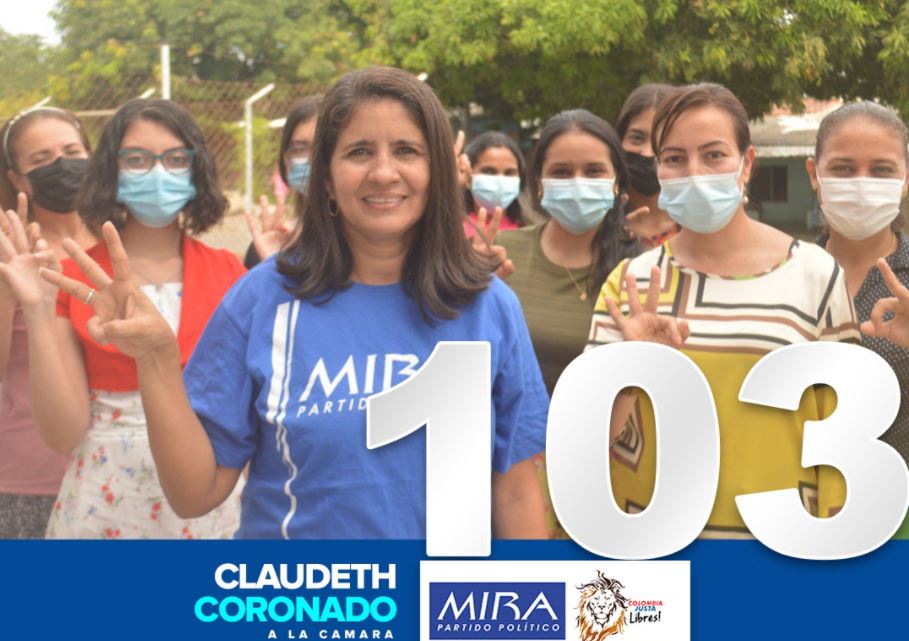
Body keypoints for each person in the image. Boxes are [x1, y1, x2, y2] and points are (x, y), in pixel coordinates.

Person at [44, 67, 550, 540]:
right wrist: (155, 358)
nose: (382, 172)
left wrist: (519, 625)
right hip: (300, 614)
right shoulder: (260, 298)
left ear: (438, 170)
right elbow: (194, 493)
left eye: (406, 150)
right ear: (325, 177)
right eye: (357, 152)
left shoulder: (488, 307)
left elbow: (516, 490)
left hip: (442, 612)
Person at [587, 83, 860, 537]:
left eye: (714, 155)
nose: (694, 171)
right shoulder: (631, 284)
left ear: (746, 163)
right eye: (674, 158)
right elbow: (589, 441)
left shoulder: (816, 275)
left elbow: (842, 435)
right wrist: (630, 373)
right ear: (658, 169)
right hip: (652, 549)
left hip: (784, 550)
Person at [3, 98, 244, 538]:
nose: (157, 173)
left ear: (197, 170)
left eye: (174, 159)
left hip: (209, 505)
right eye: (137, 159)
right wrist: (38, 311)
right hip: (104, 508)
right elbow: (61, 433)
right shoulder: (75, 277)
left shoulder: (233, 273)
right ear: (111, 170)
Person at [0, 107, 95, 538]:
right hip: (30, 480)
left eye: (72, 151)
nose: (61, 164)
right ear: (18, 179)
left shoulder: (125, 239)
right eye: (41, 160)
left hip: (124, 473)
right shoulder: (8, 252)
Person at [495, 110, 639, 395]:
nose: (577, 183)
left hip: (603, 435)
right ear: (539, 183)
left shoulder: (639, 269)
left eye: (594, 171)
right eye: (561, 172)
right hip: (515, 435)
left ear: (616, 182)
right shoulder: (501, 253)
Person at [807, 101, 909, 460]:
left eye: (882, 170)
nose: (862, 184)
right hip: (797, 500)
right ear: (814, 174)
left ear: (905, 179)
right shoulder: (784, 273)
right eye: (843, 169)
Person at [243, 95, 322, 269]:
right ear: (285, 159)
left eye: (323, 148)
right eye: (300, 149)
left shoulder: (379, 246)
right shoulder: (270, 247)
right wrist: (273, 269)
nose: (313, 160)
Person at [615, 84, 681, 247]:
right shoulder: (597, 223)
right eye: (637, 138)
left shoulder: (701, 229)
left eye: (663, 141)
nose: (648, 152)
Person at [461, 131, 527, 238]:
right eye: (489, 171)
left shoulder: (533, 233)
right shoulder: (452, 231)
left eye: (509, 173)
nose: (500, 181)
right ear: (468, 178)